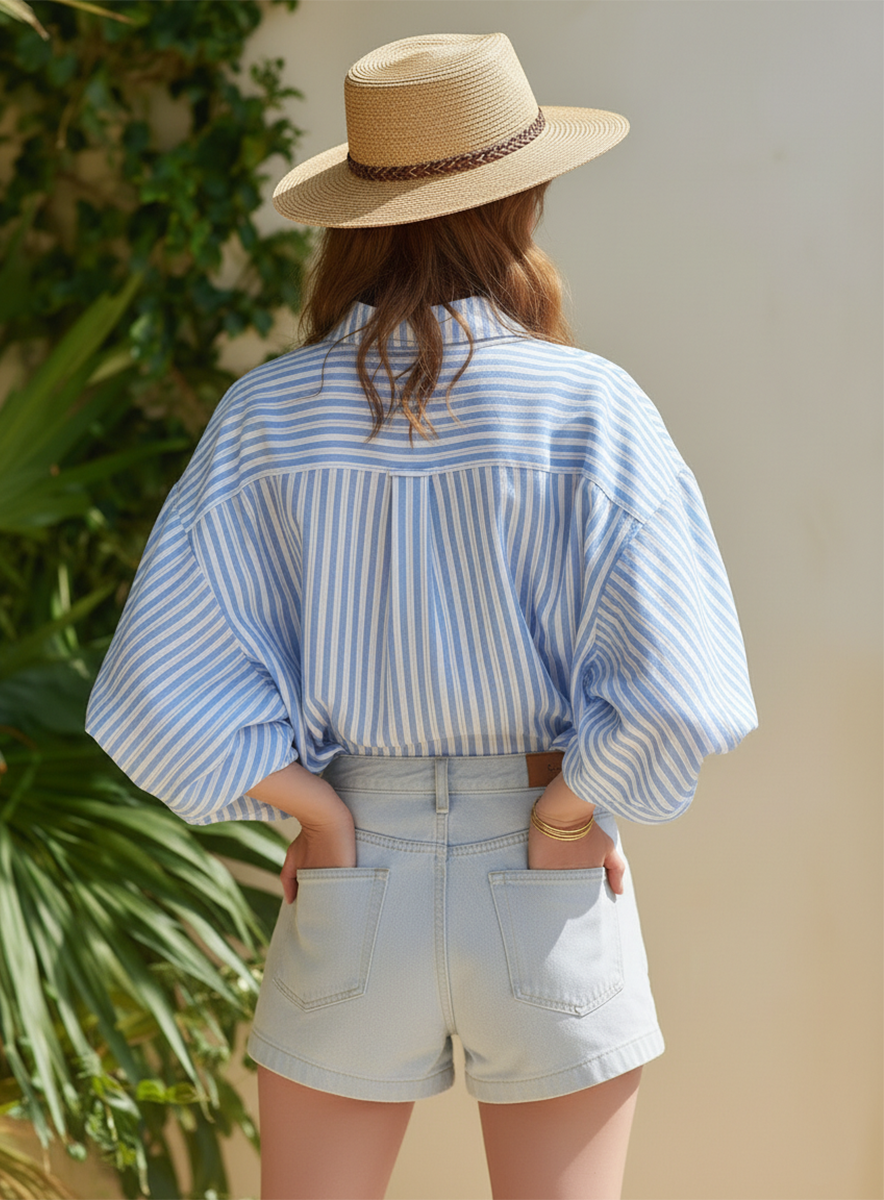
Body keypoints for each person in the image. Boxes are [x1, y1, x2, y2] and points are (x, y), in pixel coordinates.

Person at [86, 32, 757, 1200]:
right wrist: (564, 818)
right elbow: (683, 688)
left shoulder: (267, 420)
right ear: (522, 199)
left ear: (356, 216)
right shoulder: (591, 410)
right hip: (545, 879)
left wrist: (318, 818)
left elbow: (158, 690)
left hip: (357, 880)